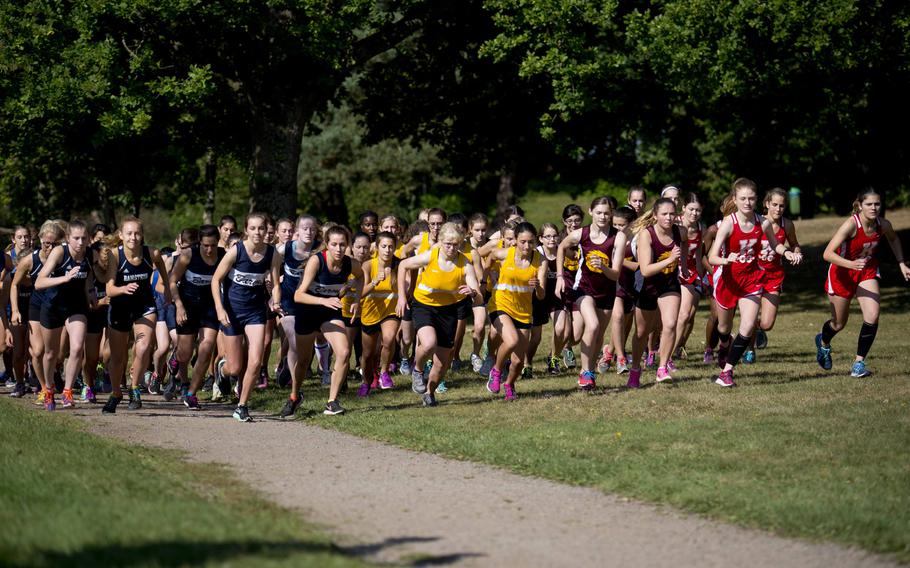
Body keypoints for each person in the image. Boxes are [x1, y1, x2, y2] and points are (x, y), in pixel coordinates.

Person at [708, 178, 801, 387]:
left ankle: (727, 372)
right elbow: (712, 256)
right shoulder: (728, 224)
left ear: (757, 200)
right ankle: (724, 344)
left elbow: (776, 245)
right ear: (735, 199)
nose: (747, 203)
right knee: (723, 327)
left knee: (748, 326)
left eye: (751, 198)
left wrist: (787, 253)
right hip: (729, 280)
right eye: (743, 199)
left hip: (751, 280)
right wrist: (726, 260)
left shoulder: (763, 222)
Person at [815, 188, 909, 377]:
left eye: (877, 204)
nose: (873, 208)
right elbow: (827, 253)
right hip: (842, 273)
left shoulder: (883, 224)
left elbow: (894, 239)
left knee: (873, 315)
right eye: (869, 204)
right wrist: (851, 263)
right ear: (859, 205)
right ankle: (823, 343)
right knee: (838, 323)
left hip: (866, 271)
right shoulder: (851, 225)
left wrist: (901, 263)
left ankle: (859, 363)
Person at [397, 222, 481, 407]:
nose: (451, 248)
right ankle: (417, 371)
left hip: (448, 310)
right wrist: (402, 298)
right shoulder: (431, 255)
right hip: (423, 305)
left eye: (456, 244)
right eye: (448, 244)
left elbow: (477, 292)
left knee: (442, 362)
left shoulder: (464, 263)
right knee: (428, 344)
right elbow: (403, 265)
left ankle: (429, 393)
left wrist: (472, 292)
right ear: (441, 242)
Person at [285, 225, 363, 417]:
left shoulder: (350, 264)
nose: (338, 249)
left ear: (348, 245)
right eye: (334, 244)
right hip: (307, 310)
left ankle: (332, 401)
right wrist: (323, 300)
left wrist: (356, 300)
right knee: (303, 361)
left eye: (342, 244)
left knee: (344, 352)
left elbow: (361, 276)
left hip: (330, 312)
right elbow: (298, 295)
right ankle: (295, 396)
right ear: (327, 244)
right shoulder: (316, 261)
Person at [211, 213, 282, 422]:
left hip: (255, 312)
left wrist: (275, 301)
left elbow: (276, 284)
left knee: (256, 360)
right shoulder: (236, 251)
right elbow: (215, 280)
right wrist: (219, 308)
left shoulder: (272, 254)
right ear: (246, 230)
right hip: (232, 312)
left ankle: (242, 405)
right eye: (253, 228)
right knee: (235, 367)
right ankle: (221, 371)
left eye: (261, 228)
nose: (258, 232)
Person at [101, 217, 172, 413]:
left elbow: (161, 265)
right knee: (118, 357)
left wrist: (166, 287)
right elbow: (109, 290)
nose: (133, 237)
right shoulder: (115, 255)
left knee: (143, 348)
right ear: (121, 235)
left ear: (142, 235)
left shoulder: (151, 253)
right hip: (120, 308)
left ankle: (134, 389)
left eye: (137, 233)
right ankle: (116, 393)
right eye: (129, 233)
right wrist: (123, 289)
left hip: (144, 306)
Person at [556, 197, 622, 390]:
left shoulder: (618, 237)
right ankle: (585, 371)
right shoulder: (581, 234)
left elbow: (616, 273)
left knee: (599, 335)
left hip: (607, 292)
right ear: (591, 212)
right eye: (599, 212)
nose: (603, 216)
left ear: (611, 214)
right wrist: (560, 276)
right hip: (583, 289)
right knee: (592, 326)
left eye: (607, 213)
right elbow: (561, 247)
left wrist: (603, 267)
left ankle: (589, 372)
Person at [34, 220, 93, 411]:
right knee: (51, 354)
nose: (80, 242)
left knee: (76, 348)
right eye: (76, 238)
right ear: (68, 238)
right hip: (52, 306)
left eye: (84, 238)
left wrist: (90, 294)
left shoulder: (89, 254)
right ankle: (49, 388)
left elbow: (88, 277)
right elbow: (39, 282)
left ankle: (67, 392)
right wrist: (65, 278)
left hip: (76, 306)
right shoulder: (60, 252)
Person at [483, 221, 546, 400]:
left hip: (524, 312)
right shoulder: (504, 254)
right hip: (500, 305)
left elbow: (541, 296)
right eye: (523, 241)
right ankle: (496, 371)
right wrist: (484, 280)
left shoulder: (539, 261)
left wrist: (539, 286)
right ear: (515, 240)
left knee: (518, 361)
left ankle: (509, 383)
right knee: (511, 341)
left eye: (531, 242)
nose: (527, 246)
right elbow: (490, 257)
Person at [626, 199, 685, 388]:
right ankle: (635, 369)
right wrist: (670, 260)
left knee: (670, 324)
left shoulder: (679, 232)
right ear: (655, 216)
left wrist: (683, 265)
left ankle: (662, 368)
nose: (669, 217)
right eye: (664, 214)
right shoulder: (647, 235)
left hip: (669, 284)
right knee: (642, 332)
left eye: (672, 214)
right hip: (648, 286)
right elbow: (645, 270)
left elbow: (687, 249)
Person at [168, 225, 224, 410]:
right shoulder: (188, 255)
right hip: (187, 305)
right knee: (185, 353)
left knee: (206, 348)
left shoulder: (223, 256)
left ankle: (191, 394)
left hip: (209, 308)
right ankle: (175, 357)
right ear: (199, 243)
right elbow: (172, 281)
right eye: (206, 245)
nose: (209, 250)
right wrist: (179, 306)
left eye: (213, 245)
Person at [744, 188, 802, 362]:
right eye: (774, 205)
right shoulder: (757, 223)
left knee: (767, 323)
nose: (778, 209)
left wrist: (796, 253)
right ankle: (749, 349)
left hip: (774, 276)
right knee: (751, 316)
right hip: (753, 274)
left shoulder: (787, 225)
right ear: (767, 204)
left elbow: (794, 244)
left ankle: (757, 331)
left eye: (782, 206)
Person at [276, 215, 321, 393]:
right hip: (288, 301)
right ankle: (295, 385)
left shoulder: (320, 250)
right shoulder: (284, 249)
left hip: (310, 300)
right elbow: (268, 269)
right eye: (304, 228)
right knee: (294, 339)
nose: (308, 232)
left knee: (305, 345)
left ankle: (289, 366)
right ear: (297, 231)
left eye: (312, 229)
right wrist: (273, 291)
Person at [357, 231, 400, 396]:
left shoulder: (398, 265)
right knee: (367, 355)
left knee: (389, 339)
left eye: (391, 246)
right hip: (371, 312)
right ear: (377, 247)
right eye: (384, 246)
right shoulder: (368, 265)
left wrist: (405, 295)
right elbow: (360, 293)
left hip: (391, 311)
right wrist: (374, 282)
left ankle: (384, 373)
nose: (387, 250)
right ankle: (366, 382)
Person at [670, 193, 706, 366]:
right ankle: (661, 351)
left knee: (687, 315)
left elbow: (699, 257)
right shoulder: (673, 222)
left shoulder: (701, 228)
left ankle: (672, 352)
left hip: (689, 273)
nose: (694, 213)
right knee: (675, 316)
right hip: (669, 270)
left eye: (698, 210)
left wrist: (701, 278)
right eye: (691, 209)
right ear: (683, 208)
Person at [551, 204, 584, 372]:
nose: (574, 224)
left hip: (580, 289)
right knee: (563, 330)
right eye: (570, 221)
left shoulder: (586, 238)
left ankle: (567, 348)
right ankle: (554, 357)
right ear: (564, 221)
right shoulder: (559, 241)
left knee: (577, 335)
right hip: (563, 289)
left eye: (577, 220)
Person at [607, 206, 638, 374]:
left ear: (632, 224)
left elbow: (640, 266)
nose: (617, 228)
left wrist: (618, 260)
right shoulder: (610, 239)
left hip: (632, 287)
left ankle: (609, 352)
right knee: (617, 317)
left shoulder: (637, 241)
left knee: (625, 324)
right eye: (615, 225)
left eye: (621, 225)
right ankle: (621, 359)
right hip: (615, 285)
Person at [527, 222, 560, 376]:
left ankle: (554, 358)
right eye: (547, 236)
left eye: (554, 236)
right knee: (536, 337)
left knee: (562, 331)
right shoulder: (536, 254)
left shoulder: (563, 251)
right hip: (537, 298)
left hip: (555, 296)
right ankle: (527, 363)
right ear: (540, 239)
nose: (552, 239)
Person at [6, 226, 34, 398]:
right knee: (18, 353)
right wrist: (8, 327)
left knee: (34, 351)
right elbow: (3, 303)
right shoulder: (11, 279)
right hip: (17, 317)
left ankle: (38, 380)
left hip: (36, 316)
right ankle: (19, 382)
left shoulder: (38, 276)